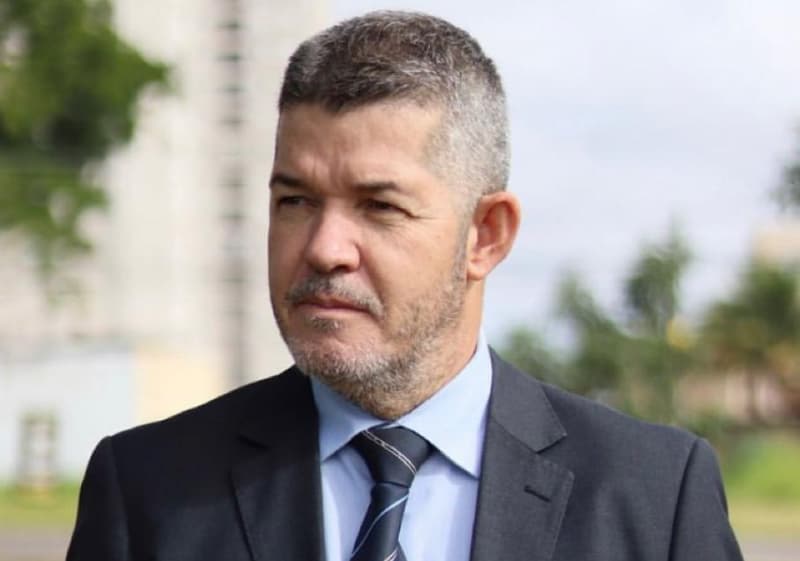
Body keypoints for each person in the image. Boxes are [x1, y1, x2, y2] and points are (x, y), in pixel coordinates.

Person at [67, 11, 744, 561]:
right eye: (295, 201)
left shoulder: (654, 496)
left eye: (379, 206)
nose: (324, 248)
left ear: (485, 235)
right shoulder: (150, 490)